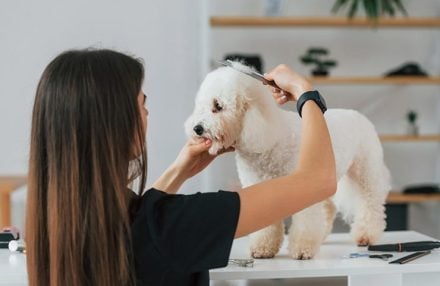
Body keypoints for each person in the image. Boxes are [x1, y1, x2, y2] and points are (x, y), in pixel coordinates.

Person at [26, 49, 336, 286]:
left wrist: (179, 171)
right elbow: (318, 181)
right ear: (116, 124)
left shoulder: (53, 220)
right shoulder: (175, 226)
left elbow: (139, 224)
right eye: (142, 104)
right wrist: (306, 95)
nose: (147, 114)